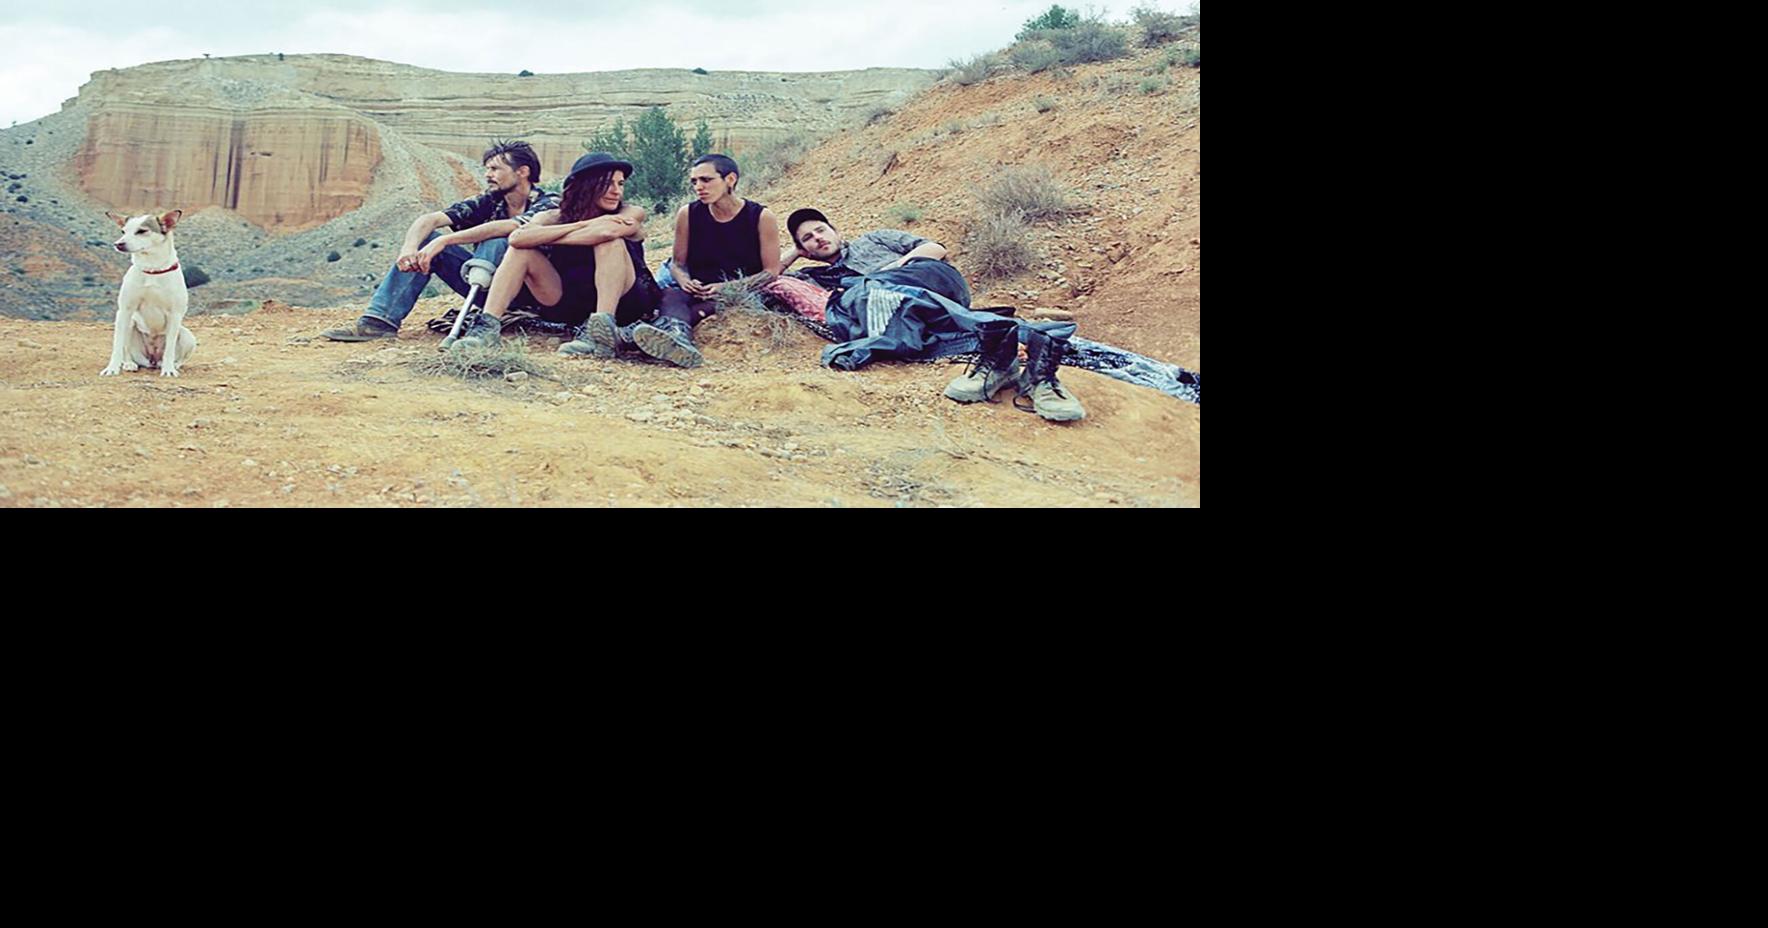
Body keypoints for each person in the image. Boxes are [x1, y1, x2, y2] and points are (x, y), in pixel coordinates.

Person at [323, 139, 557, 341]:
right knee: (427, 240)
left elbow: (511, 227)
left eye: (495, 169)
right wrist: (409, 249)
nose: (488, 175)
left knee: (496, 241)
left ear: (522, 172)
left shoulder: (548, 203)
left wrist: (447, 241)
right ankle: (379, 322)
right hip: (485, 284)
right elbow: (430, 219)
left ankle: (486, 325)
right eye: (487, 169)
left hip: (535, 295)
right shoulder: (491, 200)